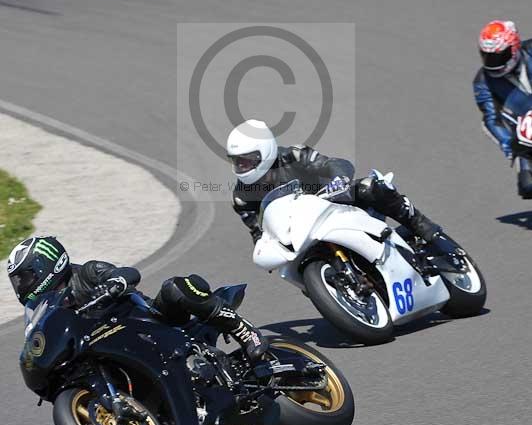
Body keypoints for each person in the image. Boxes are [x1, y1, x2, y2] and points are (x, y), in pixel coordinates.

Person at [7, 235, 267, 362]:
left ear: (47, 263)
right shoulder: (45, 311)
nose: (22, 286)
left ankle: (244, 331)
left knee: (174, 288)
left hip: (152, 323)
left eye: (25, 277)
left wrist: (114, 283)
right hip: (116, 351)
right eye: (17, 281)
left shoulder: (85, 273)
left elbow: (127, 273)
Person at [226, 119, 442, 245]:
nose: (242, 166)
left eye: (247, 160)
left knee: (369, 187)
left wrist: (338, 180)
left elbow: (334, 164)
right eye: (237, 161)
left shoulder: (294, 155)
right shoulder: (242, 198)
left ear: (265, 151)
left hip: (335, 202)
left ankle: (421, 225)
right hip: (302, 232)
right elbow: (259, 234)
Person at [473, 20, 532, 199]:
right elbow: (491, 119)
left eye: (498, 56)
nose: (492, 62)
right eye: (487, 56)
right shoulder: (483, 81)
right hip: (526, 133)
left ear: (513, 48)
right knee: (527, 185)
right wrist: (510, 144)